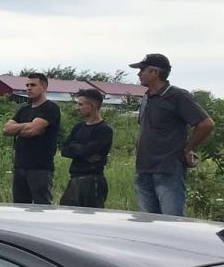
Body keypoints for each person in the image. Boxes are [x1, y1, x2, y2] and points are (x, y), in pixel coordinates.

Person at [130, 53, 215, 216]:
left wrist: (188, 149)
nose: (139, 74)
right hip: (143, 168)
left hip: (167, 168)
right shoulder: (147, 97)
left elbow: (206, 124)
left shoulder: (177, 96)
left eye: (142, 70)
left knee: (171, 221)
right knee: (147, 222)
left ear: (155, 72)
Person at [2, 73, 61, 205]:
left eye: (33, 85)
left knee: (42, 207)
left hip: (40, 168)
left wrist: (18, 130)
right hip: (20, 166)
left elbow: (33, 130)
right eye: (27, 85)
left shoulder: (50, 108)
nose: (29, 88)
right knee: (19, 207)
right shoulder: (24, 110)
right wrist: (27, 125)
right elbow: (6, 129)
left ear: (44, 87)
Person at [60, 88, 113, 208]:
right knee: (66, 212)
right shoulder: (78, 127)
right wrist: (83, 151)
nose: (77, 108)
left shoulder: (104, 130)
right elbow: (65, 150)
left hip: (93, 181)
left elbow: (89, 149)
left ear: (92, 106)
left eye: (80, 104)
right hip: (74, 179)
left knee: (90, 215)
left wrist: (76, 148)